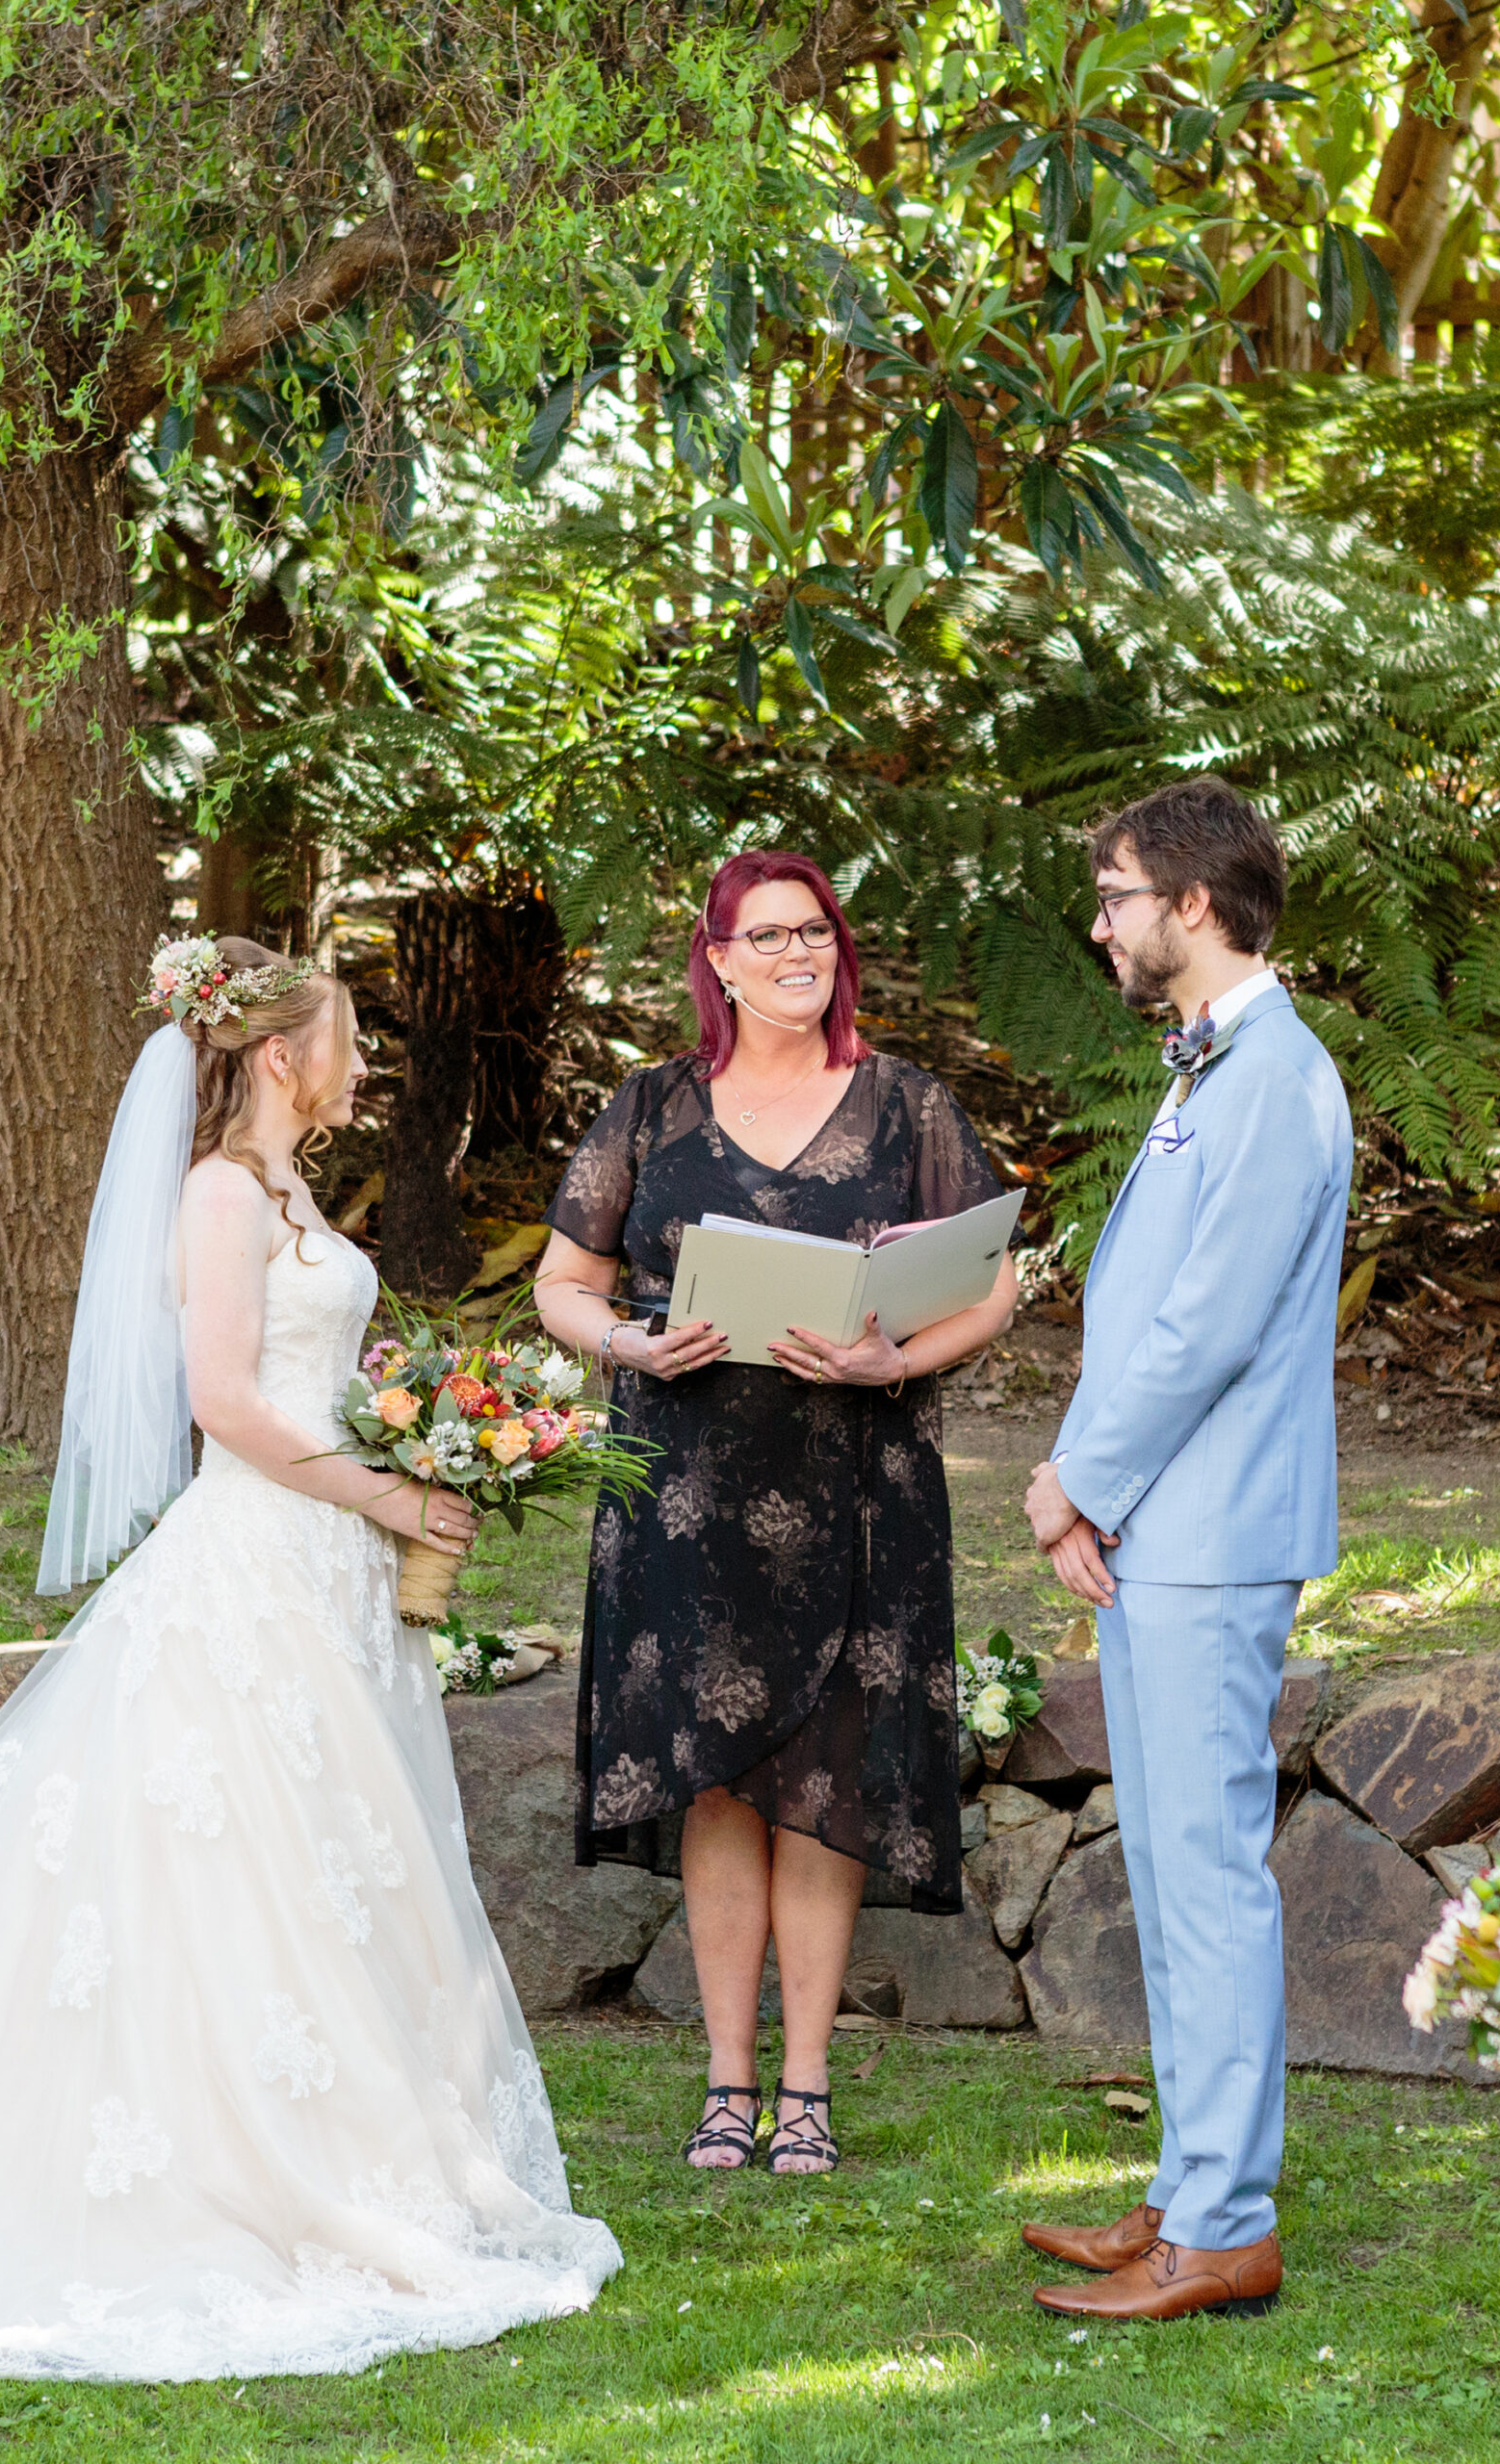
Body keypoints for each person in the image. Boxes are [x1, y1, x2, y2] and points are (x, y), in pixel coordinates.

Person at [0, 937, 619, 2380]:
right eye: (343, 1037)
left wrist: (426, 1435)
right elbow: (225, 1402)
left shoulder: (288, 1190)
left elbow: (313, 1376)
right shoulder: (221, 1192)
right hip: (258, 1566)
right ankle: (239, 2156)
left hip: (329, 1571)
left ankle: (364, 2136)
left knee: (337, 1858)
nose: (358, 1062)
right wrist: (392, 1492)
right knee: (248, 1862)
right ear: (281, 1054)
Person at [534, 853, 1018, 2176]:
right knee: (715, 1781)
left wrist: (897, 1358)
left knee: (824, 1783)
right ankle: (725, 2081)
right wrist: (628, 1349)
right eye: (771, 934)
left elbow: (991, 1286)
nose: (800, 952)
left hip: (860, 1485)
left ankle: (804, 2083)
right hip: (687, 1490)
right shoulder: (649, 1109)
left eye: (818, 931)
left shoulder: (910, 1106)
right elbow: (562, 1284)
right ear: (722, 961)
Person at [1020, 779, 1352, 2323]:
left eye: (1117, 893)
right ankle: (1188, 2186)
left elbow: (1206, 1322)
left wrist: (1079, 1477)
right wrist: (1109, 1505)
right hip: (1171, 1521)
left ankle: (1224, 2224)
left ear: (1194, 907)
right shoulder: (1211, 1069)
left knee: (1207, 1872)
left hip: (1215, 1529)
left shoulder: (1277, 1077)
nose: (1103, 922)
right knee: (1166, 1863)